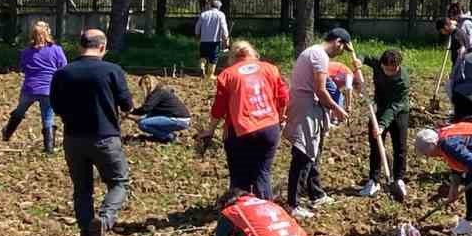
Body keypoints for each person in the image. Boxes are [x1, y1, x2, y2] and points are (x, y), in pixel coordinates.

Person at [49, 28, 134, 236]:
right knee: (118, 182)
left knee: (82, 190)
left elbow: (56, 106)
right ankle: (104, 221)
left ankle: (88, 232)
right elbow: (127, 104)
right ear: (103, 47)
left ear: (80, 46)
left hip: (74, 139)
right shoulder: (112, 70)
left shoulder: (63, 73)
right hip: (105, 137)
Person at [200, 41, 290, 203]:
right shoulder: (270, 69)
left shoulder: (227, 75)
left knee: (239, 176)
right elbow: (283, 97)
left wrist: (211, 129)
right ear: (254, 54)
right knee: (262, 173)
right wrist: (281, 117)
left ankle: (240, 213)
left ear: (232, 57)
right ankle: (266, 211)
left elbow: (219, 107)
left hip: (241, 129)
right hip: (269, 127)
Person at [282, 29, 350, 215]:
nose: (341, 53)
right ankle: (293, 204)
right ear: (338, 42)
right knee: (303, 153)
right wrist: (337, 109)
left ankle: (316, 194)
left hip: (307, 104)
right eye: (343, 48)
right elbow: (320, 90)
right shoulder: (319, 56)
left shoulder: (312, 52)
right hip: (306, 106)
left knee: (313, 152)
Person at [2, 21, 68, 154]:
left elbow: (23, 68)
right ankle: (49, 148)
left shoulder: (26, 52)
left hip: (30, 88)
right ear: (48, 33)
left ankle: (7, 132)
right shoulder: (56, 50)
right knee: (48, 117)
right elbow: (64, 68)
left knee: (20, 111)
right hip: (48, 89)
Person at [359, 48, 410, 200]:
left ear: (398, 66)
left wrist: (381, 125)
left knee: (400, 146)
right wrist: (359, 61)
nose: (389, 72)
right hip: (380, 107)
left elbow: (395, 105)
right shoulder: (378, 64)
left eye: (393, 69)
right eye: (386, 69)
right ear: (381, 65)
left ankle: (399, 179)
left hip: (399, 110)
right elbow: (364, 55)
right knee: (375, 145)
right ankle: (374, 180)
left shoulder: (403, 80)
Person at [130, 75, 192, 143]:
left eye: (142, 88)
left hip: (179, 120)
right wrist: (130, 116)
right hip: (182, 119)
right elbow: (148, 113)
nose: (143, 90)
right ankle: (163, 134)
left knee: (143, 124)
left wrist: (132, 111)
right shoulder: (160, 92)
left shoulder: (157, 94)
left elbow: (145, 109)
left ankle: (169, 137)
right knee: (144, 121)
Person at [195, 0, 230, 79]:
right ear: (219, 7)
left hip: (203, 40)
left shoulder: (204, 14)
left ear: (211, 6)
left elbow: (197, 26)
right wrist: (226, 38)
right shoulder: (220, 15)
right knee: (213, 58)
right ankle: (210, 75)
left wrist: (197, 35)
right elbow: (224, 28)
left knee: (203, 55)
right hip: (215, 41)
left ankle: (202, 66)